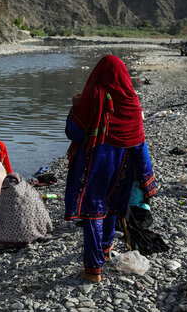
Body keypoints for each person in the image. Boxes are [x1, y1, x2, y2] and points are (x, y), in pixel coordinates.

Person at [64, 55, 156, 283]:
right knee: (113, 206)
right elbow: (138, 139)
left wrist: (74, 107)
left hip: (98, 164)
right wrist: (145, 176)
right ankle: (106, 249)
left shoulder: (93, 97)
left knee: (93, 211)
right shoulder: (131, 100)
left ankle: (93, 269)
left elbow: (73, 132)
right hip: (125, 165)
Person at [0, 173, 52, 247]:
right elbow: (44, 215)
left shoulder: (5, 198)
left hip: (6, 238)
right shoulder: (32, 195)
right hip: (33, 234)